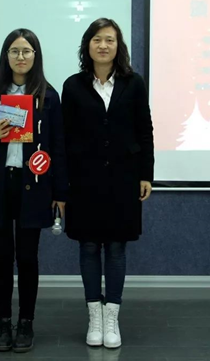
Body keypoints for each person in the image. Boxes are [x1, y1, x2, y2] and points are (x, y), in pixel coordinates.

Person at [0, 29, 67, 353]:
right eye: (14, 51)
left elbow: (58, 147)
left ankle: (26, 323)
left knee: (27, 257)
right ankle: (3, 322)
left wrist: (60, 192)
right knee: (1, 257)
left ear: (36, 56)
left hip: (33, 186)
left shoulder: (48, 96)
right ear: (6, 55)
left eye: (26, 51)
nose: (20, 57)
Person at [61, 18, 154, 349]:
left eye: (110, 40)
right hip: (83, 180)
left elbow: (144, 129)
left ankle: (112, 316)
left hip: (123, 178)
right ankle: (95, 317)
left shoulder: (134, 83)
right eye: (97, 39)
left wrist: (146, 174)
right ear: (87, 45)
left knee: (116, 247)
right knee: (88, 246)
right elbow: (63, 137)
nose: (103, 45)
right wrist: (62, 183)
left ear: (118, 46)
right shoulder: (73, 86)